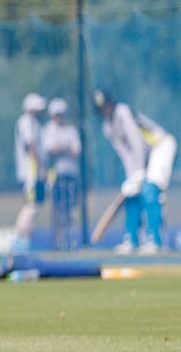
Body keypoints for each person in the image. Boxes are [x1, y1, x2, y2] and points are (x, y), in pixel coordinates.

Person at [92, 88, 176, 254]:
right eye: (101, 108)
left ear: (111, 102)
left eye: (106, 105)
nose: (105, 110)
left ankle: (156, 240)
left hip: (160, 145)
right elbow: (124, 153)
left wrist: (138, 173)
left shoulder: (122, 112)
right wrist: (132, 177)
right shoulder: (107, 127)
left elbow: (137, 143)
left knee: (150, 189)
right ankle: (131, 239)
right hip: (144, 158)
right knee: (132, 193)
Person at [41, 98, 82, 250]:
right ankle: (58, 239)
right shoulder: (48, 130)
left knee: (70, 208)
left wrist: (62, 149)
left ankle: (69, 238)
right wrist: (66, 149)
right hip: (56, 175)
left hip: (71, 174)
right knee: (58, 208)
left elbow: (77, 151)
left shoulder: (71, 131)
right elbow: (50, 150)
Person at [12, 92, 47, 252]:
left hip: (34, 171)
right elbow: (31, 144)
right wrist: (41, 166)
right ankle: (20, 238)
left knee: (35, 205)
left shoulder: (34, 123)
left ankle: (26, 238)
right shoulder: (26, 122)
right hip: (31, 172)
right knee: (31, 205)